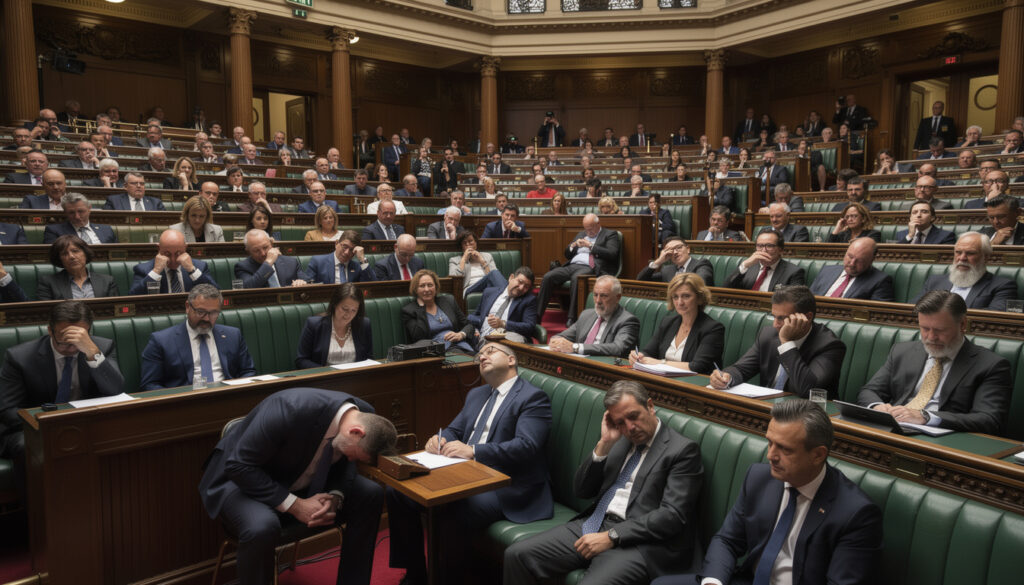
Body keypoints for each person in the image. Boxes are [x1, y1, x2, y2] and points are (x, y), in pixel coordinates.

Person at [653, 400, 883, 585]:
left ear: (818, 455)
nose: (771, 455)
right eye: (770, 443)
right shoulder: (759, 478)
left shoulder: (856, 513)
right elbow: (727, 540)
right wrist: (714, 581)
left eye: (784, 449)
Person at [504, 380, 704, 585]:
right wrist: (604, 444)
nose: (630, 428)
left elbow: (672, 516)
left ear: (650, 406)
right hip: (596, 522)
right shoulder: (618, 440)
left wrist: (613, 535)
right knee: (517, 555)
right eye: (620, 422)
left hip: (639, 543)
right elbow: (581, 490)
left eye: (634, 416)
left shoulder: (682, 450)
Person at [198, 387, 395, 585]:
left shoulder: (364, 413)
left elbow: (347, 465)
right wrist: (296, 505)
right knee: (261, 527)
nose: (351, 459)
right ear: (355, 431)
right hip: (242, 480)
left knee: (371, 493)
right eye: (354, 454)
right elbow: (238, 466)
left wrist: (337, 496)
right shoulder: (288, 408)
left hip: (301, 476)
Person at [390, 343, 552, 584]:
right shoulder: (477, 394)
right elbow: (454, 430)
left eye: (490, 351)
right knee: (398, 492)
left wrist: (474, 450)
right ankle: (416, 574)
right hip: (465, 473)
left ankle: (446, 579)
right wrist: (441, 438)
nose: (482, 356)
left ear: (510, 360)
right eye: (480, 354)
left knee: (452, 505)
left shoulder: (532, 397)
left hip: (507, 485)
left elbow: (527, 446)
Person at [858, 290, 1012, 434]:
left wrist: (927, 417)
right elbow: (869, 391)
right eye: (925, 329)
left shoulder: (991, 365)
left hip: (945, 441)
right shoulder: (902, 352)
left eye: (940, 330)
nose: (931, 337)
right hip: (894, 430)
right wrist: (878, 407)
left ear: (963, 325)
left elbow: (989, 419)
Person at [0, 301, 123, 464]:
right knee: (33, 446)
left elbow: (115, 390)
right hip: (34, 428)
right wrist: (52, 423)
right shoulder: (19, 358)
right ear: (50, 330)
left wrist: (92, 353)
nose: (72, 349)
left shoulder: (101, 347)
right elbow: (7, 410)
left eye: (78, 341)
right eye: (64, 341)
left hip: (85, 424)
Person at [712, 285, 846, 398]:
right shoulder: (768, 335)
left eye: (782, 318)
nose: (775, 324)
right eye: (774, 316)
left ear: (807, 317)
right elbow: (741, 369)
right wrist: (726, 377)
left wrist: (786, 343)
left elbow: (808, 390)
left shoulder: (829, 346)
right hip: (768, 408)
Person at [140, 285, 256, 389]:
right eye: (200, 312)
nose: (206, 319)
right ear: (187, 307)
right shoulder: (161, 341)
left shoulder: (233, 335)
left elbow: (248, 371)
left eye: (213, 313)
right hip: (185, 404)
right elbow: (149, 384)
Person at [536, 214, 622, 326]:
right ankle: (537, 316)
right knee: (548, 277)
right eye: (586, 228)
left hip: (590, 267)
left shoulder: (610, 234)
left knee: (577, 278)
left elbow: (612, 254)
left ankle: (572, 318)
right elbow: (567, 254)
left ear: (598, 224)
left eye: (590, 229)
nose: (588, 232)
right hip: (572, 265)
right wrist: (573, 246)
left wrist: (590, 246)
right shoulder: (581, 234)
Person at [630, 273, 724, 374]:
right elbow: (648, 352)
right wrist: (638, 356)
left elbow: (698, 367)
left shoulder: (712, 328)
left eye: (686, 296)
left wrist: (660, 363)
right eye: (675, 297)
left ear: (700, 298)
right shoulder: (668, 322)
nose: (680, 302)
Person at [911, 232, 1016, 311]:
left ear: (986, 257)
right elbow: (913, 309)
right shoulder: (934, 281)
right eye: (958, 252)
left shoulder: (1003, 286)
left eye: (970, 253)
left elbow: (994, 318)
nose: (962, 258)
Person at [548, 276, 639, 358]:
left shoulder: (627, 321)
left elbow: (618, 348)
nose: (598, 300)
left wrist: (575, 347)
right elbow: (561, 336)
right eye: (595, 295)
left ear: (617, 297)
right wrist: (556, 342)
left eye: (604, 296)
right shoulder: (586, 315)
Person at [295, 284, 373, 368]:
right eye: (345, 309)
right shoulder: (314, 325)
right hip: (324, 378)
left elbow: (369, 359)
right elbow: (301, 360)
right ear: (335, 304)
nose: (348, 315)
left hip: (355, 378)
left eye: (354, 310)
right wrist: (328, 373)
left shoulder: (364, 325)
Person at [402, 269, 475, 353]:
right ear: (415, 289)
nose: (427, 289)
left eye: (430, 285)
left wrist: (461, 334)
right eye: (422, 286)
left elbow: (468, 325)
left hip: (461, 345)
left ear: (436, 287)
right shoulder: (409, 311)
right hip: (435, 352)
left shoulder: (448, 301)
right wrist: (421, 308)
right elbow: (418, 337)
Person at [129, 229, 218, 294]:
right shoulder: (144, 269)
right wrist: (156, 272)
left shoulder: (200, 266)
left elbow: (216, 294)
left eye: (178, 253)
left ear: (185, 248)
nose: (173, 260)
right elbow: (132, 298)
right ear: (158, 248)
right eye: (167, 254)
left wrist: (192, 270)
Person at [809, 238, 895, 301]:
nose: (852, 263)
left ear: (871, 260)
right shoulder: (827, 271)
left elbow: (878, 315)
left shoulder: (880, 281)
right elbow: (807, 299)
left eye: (860, 260)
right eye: (850, 256)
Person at [37, 235, 119, 300]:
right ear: (59, 259)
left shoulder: (107, 281)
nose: (71, 256)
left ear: (85, 253)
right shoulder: (48, 283)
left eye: (75, 251)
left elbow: (114, 310)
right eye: (65, 254)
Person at [468, 267, 537, 343]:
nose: (521, 288)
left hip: (505, 339)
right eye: (520, 282)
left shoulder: (529, 300)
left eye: (526, 287)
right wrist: (476, 329)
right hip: (480, 337)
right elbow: (474, 316)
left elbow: (529, 327)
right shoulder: (489, 293)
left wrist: (503, 323)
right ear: (511, 278)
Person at [234, 230, 309, 289]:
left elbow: (309, 282)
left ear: (271, 244)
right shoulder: (242, 267)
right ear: (248, 251)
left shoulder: (291, 262)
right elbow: (248, 288)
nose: (263, 253)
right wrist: (268, 263)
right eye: (256, 250)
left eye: (265, 247)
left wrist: (302, 282)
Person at [43, 192, 118, 244]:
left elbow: (116, 253)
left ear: (89, 208)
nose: (77, 217)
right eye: (71, 212)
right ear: (65, 212)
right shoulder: (54, 231)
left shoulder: (106, 230)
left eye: (81, 211)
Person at [305, 231, 377, 284]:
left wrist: (362, 259)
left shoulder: (357, 266)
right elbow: (308, 285)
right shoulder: (318, 262)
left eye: (351, 250)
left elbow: (373, 286)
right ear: (336, 244)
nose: (346, 252)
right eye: (344, 247)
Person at [450, 232, 507, 297]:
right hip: (470, 288)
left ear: (476, 243)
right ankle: (507, 293)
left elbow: (494, 277)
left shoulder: (487, 256)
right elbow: (455, 281)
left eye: (470, 241)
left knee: (494, 273)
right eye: (464, 243)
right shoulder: (454, 260)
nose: (468, 244)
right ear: (461, 246)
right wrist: (464, 259)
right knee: (494, 273)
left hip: (488, 287)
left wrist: (482, 261)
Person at [636, 238, 714, 286]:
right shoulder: (667, 270)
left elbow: (700, 283)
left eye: (678, 248)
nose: (675, 252)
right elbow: (640, 280)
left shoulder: (702, 264)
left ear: (688, 249)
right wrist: (658, 261)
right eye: (670, 250)